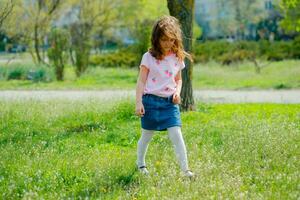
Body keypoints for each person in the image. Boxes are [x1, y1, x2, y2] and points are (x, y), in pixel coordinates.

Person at [135, 16, 194, 178]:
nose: (168, 43)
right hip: (150, 102)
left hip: (169, 103)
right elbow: (141, 81)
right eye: (164, 40)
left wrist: (177, 92)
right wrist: (138, 102)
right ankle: (140, 164)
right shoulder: (148, 57)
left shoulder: (177, 57)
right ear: (156, 39)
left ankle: (185, 170)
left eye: (171, 40)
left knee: (176, 134)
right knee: (146, 135)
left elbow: (179, 79)